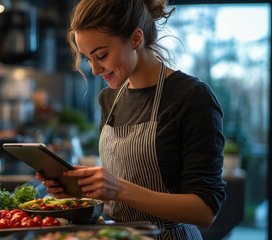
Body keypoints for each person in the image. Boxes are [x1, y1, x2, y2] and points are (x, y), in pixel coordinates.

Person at [36, 0, 226, 239]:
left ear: (136, 39)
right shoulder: (109, 98)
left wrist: (119, 189)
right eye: (87, 58)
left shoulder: (192, 97)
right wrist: (78, 193)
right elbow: (117, 201)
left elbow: (206, 211)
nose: (94, 69)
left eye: (102, 55)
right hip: (119, 234)